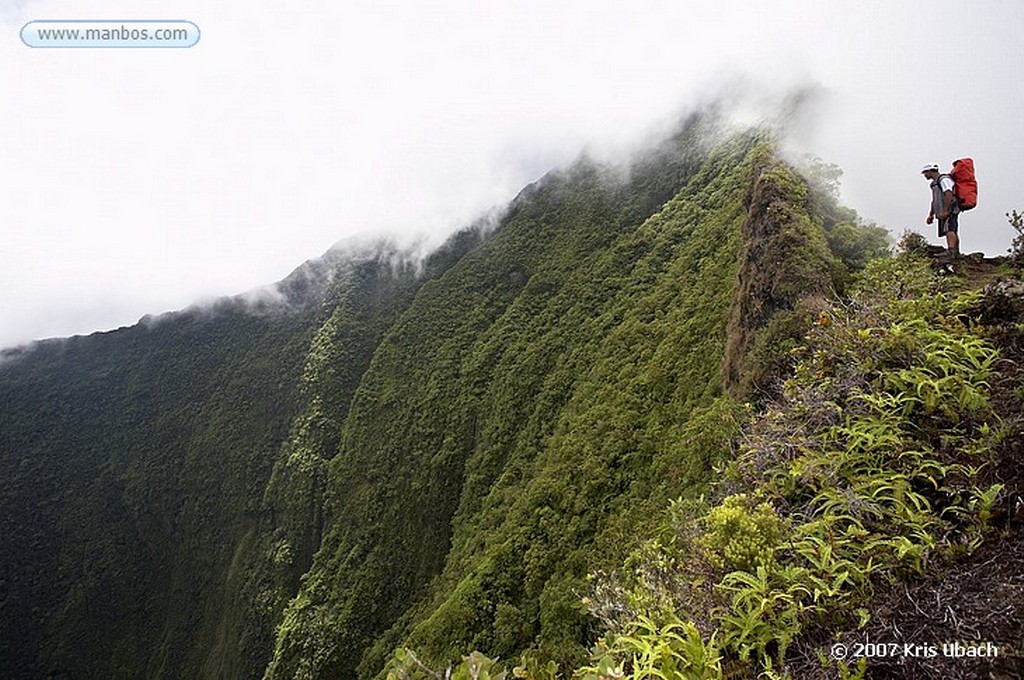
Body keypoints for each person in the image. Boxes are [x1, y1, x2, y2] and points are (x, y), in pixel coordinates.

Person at [922, 163, 959, 257]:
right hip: (942, 210)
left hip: (950, 209)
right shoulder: (934, 184)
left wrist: (945, 210)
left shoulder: (943, 179)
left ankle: (951, 251)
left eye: (925, 172)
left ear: (931, 171)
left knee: (949, 229)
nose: (925, 175)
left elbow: (949, 193)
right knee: (950, 229)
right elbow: (934, 200)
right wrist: (931, 214)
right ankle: (955, 252)